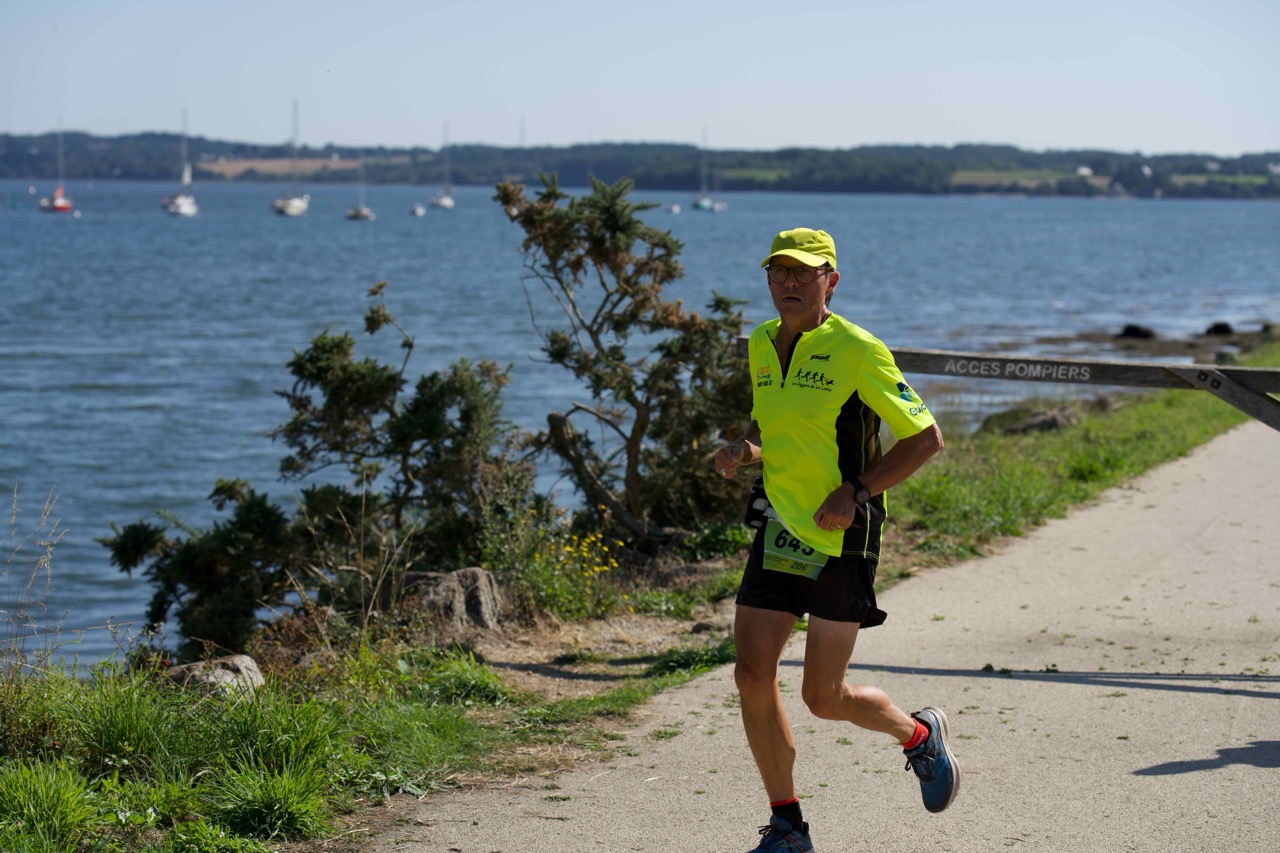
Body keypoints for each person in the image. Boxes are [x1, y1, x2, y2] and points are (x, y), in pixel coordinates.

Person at [714, 227, 958, 852]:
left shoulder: (857, 348)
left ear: (831, 280)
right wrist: (746, 450)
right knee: (751, 673)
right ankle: (788, 827)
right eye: (778, 272)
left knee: (823, 697)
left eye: (804, 272)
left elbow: (925, 438)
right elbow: (777, 427)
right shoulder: (761, 342)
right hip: (779, 524)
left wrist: (855, 490)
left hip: (842, 533)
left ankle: (919, 737)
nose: (789, 283)